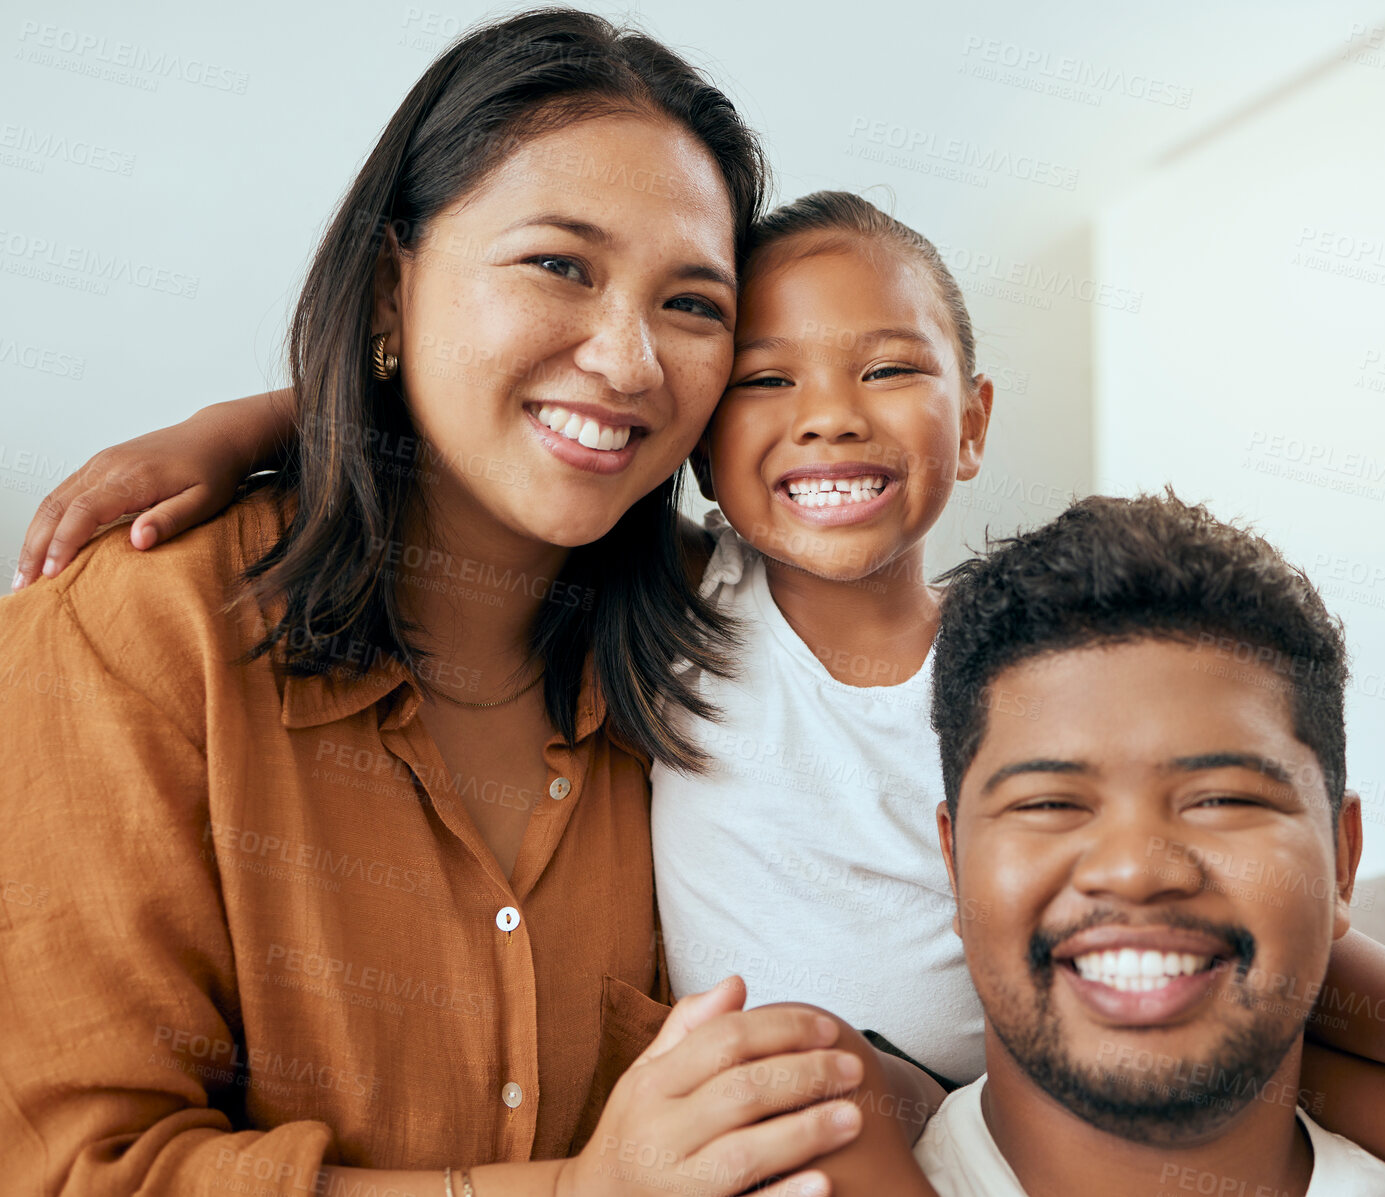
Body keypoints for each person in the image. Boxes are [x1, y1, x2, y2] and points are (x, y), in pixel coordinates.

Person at [11, 181, 1385, 1194]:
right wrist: (247, 427)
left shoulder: (1011, 666)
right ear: (705, 445)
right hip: (838, 1075)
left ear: (974, 419)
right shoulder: (670, 594)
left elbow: (1204, 855)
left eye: (888, 371)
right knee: (811, 1067)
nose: (831, 416)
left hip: (1041, 1044)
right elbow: (472, 430)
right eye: (769, 379)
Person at [0, 11, 927, 1197]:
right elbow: (82, 1173)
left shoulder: (744, 642)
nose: (631, 360)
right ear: (394, 284)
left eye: (692, 305)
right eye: (559, 265)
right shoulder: (129, 635)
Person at [915, 492, 1385, 1196]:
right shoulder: (843, 1154)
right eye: (1048, 802)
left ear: (1342, 862)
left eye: (1224, 798)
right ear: (953, 865)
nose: (1135, 869)